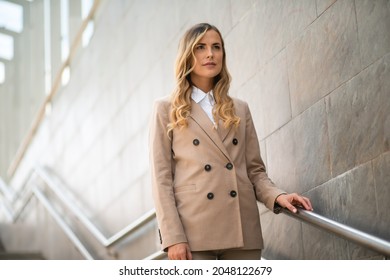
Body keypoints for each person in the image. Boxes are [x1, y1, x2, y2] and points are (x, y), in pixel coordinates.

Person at [149, 23, 313, 260]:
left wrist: (277, 196)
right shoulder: (166, 108)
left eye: (216, 47)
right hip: (193, 231)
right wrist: (173, 236)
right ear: (187, 55)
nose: (210, 54)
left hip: (242, 229)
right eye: (200, 47)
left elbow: (255, 171)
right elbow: (161, 179)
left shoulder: (239, 108)